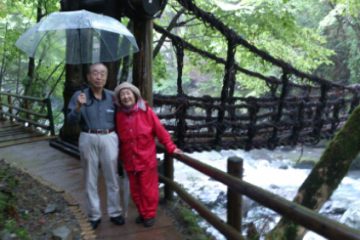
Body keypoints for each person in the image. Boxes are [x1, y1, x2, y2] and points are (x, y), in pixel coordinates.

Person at [114, 82, 183, 228]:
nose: (126, 97)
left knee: (148, 190)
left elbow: (160, 131)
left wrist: (171, 147)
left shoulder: (146, 112)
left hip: (145, 159)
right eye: (122, 95)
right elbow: (119, 139)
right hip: (129, 160)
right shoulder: (119, 115)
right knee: (135, 191)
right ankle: (142, 212)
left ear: (135, 95)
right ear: (120, 99)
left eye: (128, 93)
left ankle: (149, 214)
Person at [67, 63, 125, 229]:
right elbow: (71, 121)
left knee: (112, 177)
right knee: (90, 178)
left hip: (109, 137)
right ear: (88, 77)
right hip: (87, 136)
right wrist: (78, 106)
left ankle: (115, 212)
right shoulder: (79, 96)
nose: (99, 77)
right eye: (95, 73)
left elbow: (124, 115)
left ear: (106, 78)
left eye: (102, 74)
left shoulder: (113, 97)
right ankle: (94, 214)